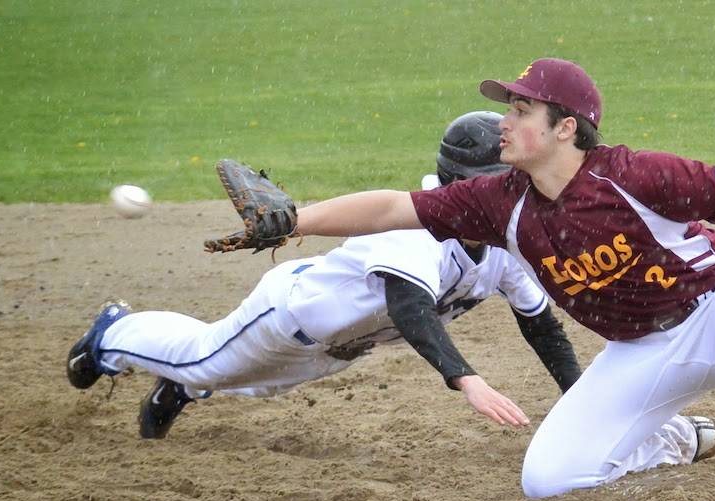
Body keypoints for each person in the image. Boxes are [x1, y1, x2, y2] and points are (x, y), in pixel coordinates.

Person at [285, 59, 715, 501]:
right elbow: (392, 208)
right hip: (644, 346)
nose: (503, 122)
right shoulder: (501, 202)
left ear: (566, 128)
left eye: (519, 110)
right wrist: (294, 222)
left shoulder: (629, 174)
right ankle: (680, 441)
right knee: (548, 479)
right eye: (507, 109)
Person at [66, 111, 584, 439]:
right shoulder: (417, 225)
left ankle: (180, 388)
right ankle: (109, 334)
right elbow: (409, 307)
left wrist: (579, 401)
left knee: (252, 385)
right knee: (203, 358)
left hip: (341, 345)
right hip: (291, 313)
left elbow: (539, 322)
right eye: (503, 184)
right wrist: (467, 380)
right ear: (464, 184)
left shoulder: (502, 241)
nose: (515, 194)